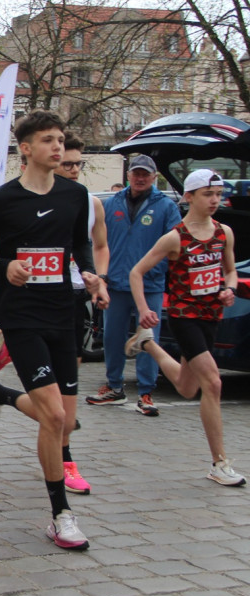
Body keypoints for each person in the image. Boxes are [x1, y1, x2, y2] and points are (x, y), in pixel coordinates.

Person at [0, 110, 109, 551]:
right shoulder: (4, 200)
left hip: (63, 313)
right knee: (55, 416)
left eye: (60, 139)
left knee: (64, 420)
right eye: (47, 140)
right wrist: (5, 265)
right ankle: (61, 515)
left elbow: (78, 243)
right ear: (25, 149)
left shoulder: (76, 196)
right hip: (21, 316)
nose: (57, 147)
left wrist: (90, 273)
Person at [127, 169, 244, 487]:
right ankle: (219, 463)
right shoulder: (175, 237)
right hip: (184, 317)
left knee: (187, 387)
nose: (215, 201)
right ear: (189, 196)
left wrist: (228, 289)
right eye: (208, 194)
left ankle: (148, 344)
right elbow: (136, 272)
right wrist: (144, 309)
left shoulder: (224, 233)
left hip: (211, 317)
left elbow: (230, 271)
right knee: (213, 383)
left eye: (218, 195)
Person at [87, 154, 181, 416]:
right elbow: (98, 243)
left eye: (146, 174)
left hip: (149, 285)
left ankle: (146, 392)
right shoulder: (111, 203)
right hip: (116, 283)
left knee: (148, 339)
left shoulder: (165, 206)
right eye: (136, 173)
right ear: (128, 175)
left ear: (154, 177)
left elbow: (175, 245)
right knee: (112, 337)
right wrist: (100, 277)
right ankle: (114, 387)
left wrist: (161, 270)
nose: (140, 178)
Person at [49, 132, 109, 494]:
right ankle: (65, 459)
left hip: (74, 296)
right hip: (40, 299)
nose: (72, 170)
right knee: (54, 391)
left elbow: (100, 246)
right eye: (66, 163)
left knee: (66, 378)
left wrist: (97, 280)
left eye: (77, 164)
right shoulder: (32, 199)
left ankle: (0, 393)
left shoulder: (92, 203)